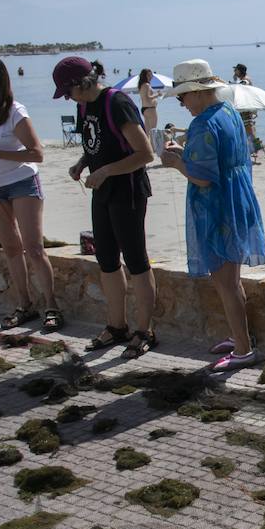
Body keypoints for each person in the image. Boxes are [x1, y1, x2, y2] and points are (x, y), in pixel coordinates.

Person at [161, 59, 265, 372]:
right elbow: (220, 158)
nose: (182, 104)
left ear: (195, 92)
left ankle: (244, 350)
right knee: (232, 280)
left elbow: (203, 178)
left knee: (225, 283)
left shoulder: (203, 123)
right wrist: (186, 154)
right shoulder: (230, 113)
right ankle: (239, 338)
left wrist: (175, 163)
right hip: (237, 199)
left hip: (217, 206)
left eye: (182, 98)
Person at [52, 55, 158, 358]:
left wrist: (106, 171)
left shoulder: (118, 103)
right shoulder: (83, 105)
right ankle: (116, 326)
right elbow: (96, 145)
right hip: (102, 191)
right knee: (107, 260)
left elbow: (145, 154)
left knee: (136, 261)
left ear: (80, 84)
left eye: (67, 91)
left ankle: (144, 330)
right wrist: (82, 163)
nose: (67, 98)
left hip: (128, 191)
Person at [0, 57, 63, 331]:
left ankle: (51, 305)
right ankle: (24, 303)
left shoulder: (16, 112)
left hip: (22, 181)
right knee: (10, 248)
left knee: (33, 247)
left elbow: (37, 153)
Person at [231, 63, 260, 162]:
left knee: (250, 131)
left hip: (246, 109)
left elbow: (242, 86)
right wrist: (235, 80)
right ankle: (250, 152)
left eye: (235, 70)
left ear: (239, 70)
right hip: (243, 108)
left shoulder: (245, 80)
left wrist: (235, 82)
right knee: (245, 130)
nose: (234, 72)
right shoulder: (242, 79)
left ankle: (255, 152)